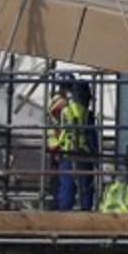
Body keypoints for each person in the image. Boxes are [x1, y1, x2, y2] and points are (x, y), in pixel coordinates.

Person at [56, 80, 96, 211]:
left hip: (66, 152)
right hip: (83, 152)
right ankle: (86, 214)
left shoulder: (65, 110)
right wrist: (95, 153)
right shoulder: (86, 113)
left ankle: (64, 213)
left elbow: (59, 131)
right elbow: (91, 135)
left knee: (67, 186)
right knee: (85, 186)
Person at [46, 73, 72, 209]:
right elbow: (57, 127)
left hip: (57, 146)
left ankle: (56, 206)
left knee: (59, 181)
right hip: (59, 147)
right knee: (62, 181)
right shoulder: (60, 104)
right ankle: (58, 208)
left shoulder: (56, 102)